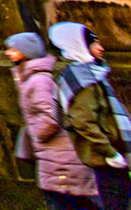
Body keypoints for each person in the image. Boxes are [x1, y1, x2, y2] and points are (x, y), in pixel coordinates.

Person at [9, 30, 100, 210]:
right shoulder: (37, 76)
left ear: (25, 52)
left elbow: (53, 114)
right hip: (58, 155)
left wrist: (38, 134)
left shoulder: (38, 80)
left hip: (58, 157)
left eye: (13, 49)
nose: (8, 53)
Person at [53, 22, 131, 210]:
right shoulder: (81, 79)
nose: (101, 48)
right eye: (95, 44)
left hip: (112, 152)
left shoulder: (91, 73)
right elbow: (83, 121)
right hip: (107, 157)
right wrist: (110, 153)